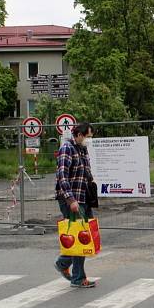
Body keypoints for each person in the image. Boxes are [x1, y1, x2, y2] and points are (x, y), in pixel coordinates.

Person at [54, 123, 96, 288]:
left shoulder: (82, 149)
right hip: (71, 200)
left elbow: (86, 171)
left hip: (84, 198)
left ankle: (63, 263)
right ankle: (78, 278)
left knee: (87, 236)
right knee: (80, 237)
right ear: (78, 134)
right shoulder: (67, 149)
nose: (88, 140)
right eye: (87, 136)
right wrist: (71, 200)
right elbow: (62, 176)